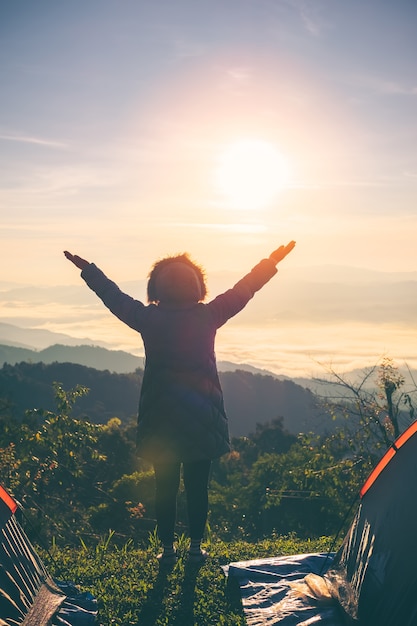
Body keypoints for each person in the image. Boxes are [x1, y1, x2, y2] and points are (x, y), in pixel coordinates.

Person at [64, 241, 295, 564]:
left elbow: (113, 297)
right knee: (197, 488)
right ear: (198, 287)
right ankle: (195, 548)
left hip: (161, 420)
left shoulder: (148, 318)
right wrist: (270, 262)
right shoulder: (208, 314)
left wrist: (89, 271)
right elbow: (245, 289)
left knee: (165, 488)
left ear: (155, 289)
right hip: (203, 417)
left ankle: (169, 550)